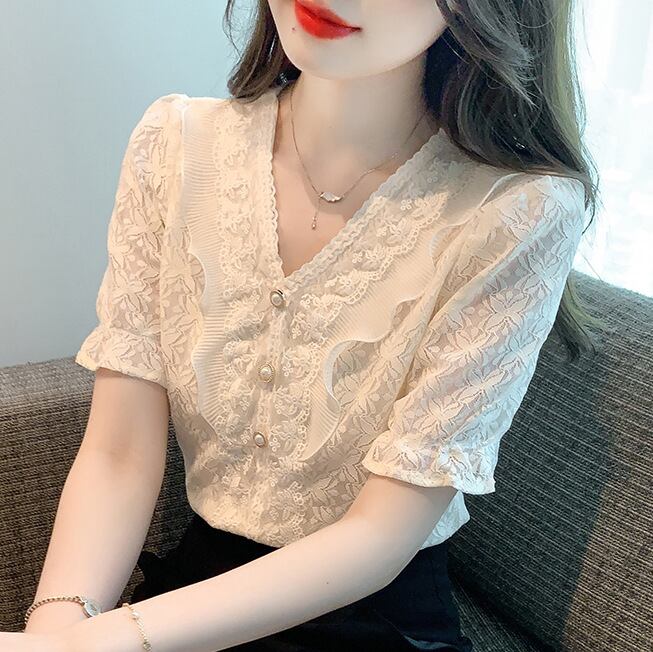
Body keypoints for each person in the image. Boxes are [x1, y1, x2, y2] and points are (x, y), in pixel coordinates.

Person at [11, 1, 598, 651]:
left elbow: (381, 534)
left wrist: (101, 643)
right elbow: (118, 453)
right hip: (189, 597)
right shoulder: (173, 144)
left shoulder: (517, 210)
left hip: (371, 618)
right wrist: (57, 627)